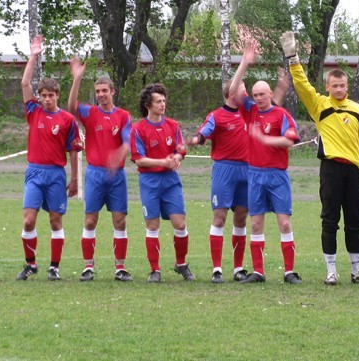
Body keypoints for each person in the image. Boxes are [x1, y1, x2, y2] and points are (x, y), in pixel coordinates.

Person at [281, 31, 359, 285]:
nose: (338, 89)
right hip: (331, 170)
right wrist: (293, 57)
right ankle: (331, 271)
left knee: (354, 222)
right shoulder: (320, 106)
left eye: (342, 85)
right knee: (330, 220)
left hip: (353, 173)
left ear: (347, 87)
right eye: (334, 86)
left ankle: (358, 270)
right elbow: (302, 84)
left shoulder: (357, 110)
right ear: (327, 87)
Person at [228, 42, 302, 284]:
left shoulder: (281, 115)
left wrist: (265, 138)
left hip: (277, 175)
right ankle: (258, 271)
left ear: (271, 94)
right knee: (256, 222)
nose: (258, 98)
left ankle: (289, 271)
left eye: (262, 94)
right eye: (255, 94)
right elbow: (232, 90)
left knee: (284, 222)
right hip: (255, 175)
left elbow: (289, 141)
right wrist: (245, 62)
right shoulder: (248, 111)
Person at [16, 35, 82, 281]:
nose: (46, 99)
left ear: (56, 96)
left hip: (56, 174)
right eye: (42, 95)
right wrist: (33, 55)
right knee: (29, 219)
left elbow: (74, 150)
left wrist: (74, 180)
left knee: (55, 221)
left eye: (50, 95)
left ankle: (54, 267)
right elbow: (24, 84)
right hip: (34, 172)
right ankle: (31, 264)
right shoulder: (33, 111)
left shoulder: (67, 120)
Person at [68, 57, 133, 282]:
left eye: (105, 90)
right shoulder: (90, 113)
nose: (101, 94)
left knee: (120, 220)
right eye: (98, 91)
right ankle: (88, 267)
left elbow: (128, 140)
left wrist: (121, 152)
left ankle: (120, 267)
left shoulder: (123, 116)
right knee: (89, 221)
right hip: (95, 174)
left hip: (117, 176)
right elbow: (71, 107)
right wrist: (77, 78)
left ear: (113, 92)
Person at [130, 83, 194, 283]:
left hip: (170, 181)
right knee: (152, 224)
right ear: (148, 104)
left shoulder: (173, 126)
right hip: (149, 181)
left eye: (164, 100)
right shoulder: (138, 129)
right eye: (159, 101)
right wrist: (163, 162)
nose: (163, 104)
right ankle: (155, 270)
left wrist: (176, 158)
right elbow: (139, 159)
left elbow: (181, 150)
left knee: (180, 223)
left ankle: (181, 264)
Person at [188, 83, 250, 284]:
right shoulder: (216, 115)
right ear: (231, 93)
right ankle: (217, 269)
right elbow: (204, 132)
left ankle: (238, 268)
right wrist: (196, 139)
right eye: (243, 88)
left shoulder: (248, 113)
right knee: (219, 218)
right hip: (224, 170)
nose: (246, 92)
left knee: (240, 219)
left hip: (246, 171)